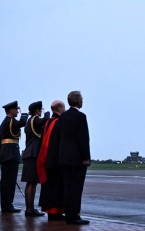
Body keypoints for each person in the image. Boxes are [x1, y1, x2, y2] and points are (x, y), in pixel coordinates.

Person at [58, 91, 91, 225]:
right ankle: (74, 216)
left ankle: (68, 214)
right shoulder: (81, 117)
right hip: (77, 158)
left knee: (68, 187)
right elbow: (83, 139)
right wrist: (86, 157)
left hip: (65, 157)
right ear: (78, 101)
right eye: (81, 99)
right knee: (76, 189)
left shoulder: (62, 116)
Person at [37, 100, 66, 220]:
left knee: (50, 188)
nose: (65, 110)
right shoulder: (59, 122)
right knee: (56, 188)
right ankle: (55, 213)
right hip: (56, 161)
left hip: (47, 159)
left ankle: (52, 212)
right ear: (59, 108)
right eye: (63, 107)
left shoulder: (48, 122)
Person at [0, 101, 28, 213]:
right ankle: (7, 205)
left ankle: (6, 204)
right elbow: (23, 122)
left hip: (6, 153)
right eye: (16, 109)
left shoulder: (5, 122)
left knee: (7, 181)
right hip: (10, 154)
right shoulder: (10, 122)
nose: (17, 111)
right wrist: (24, 113)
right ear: (11, 111)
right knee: (9, 181)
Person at [21, 101, 49, 217]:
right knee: (32, 183)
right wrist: (47, 113)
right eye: (40, 110)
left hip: (29, 153)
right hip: (33, 154)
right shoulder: (35, 120)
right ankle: (30, 209)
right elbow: (45, 120)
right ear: (37, 111)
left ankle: (29, 208)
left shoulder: (29, 121)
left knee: (30, 183)